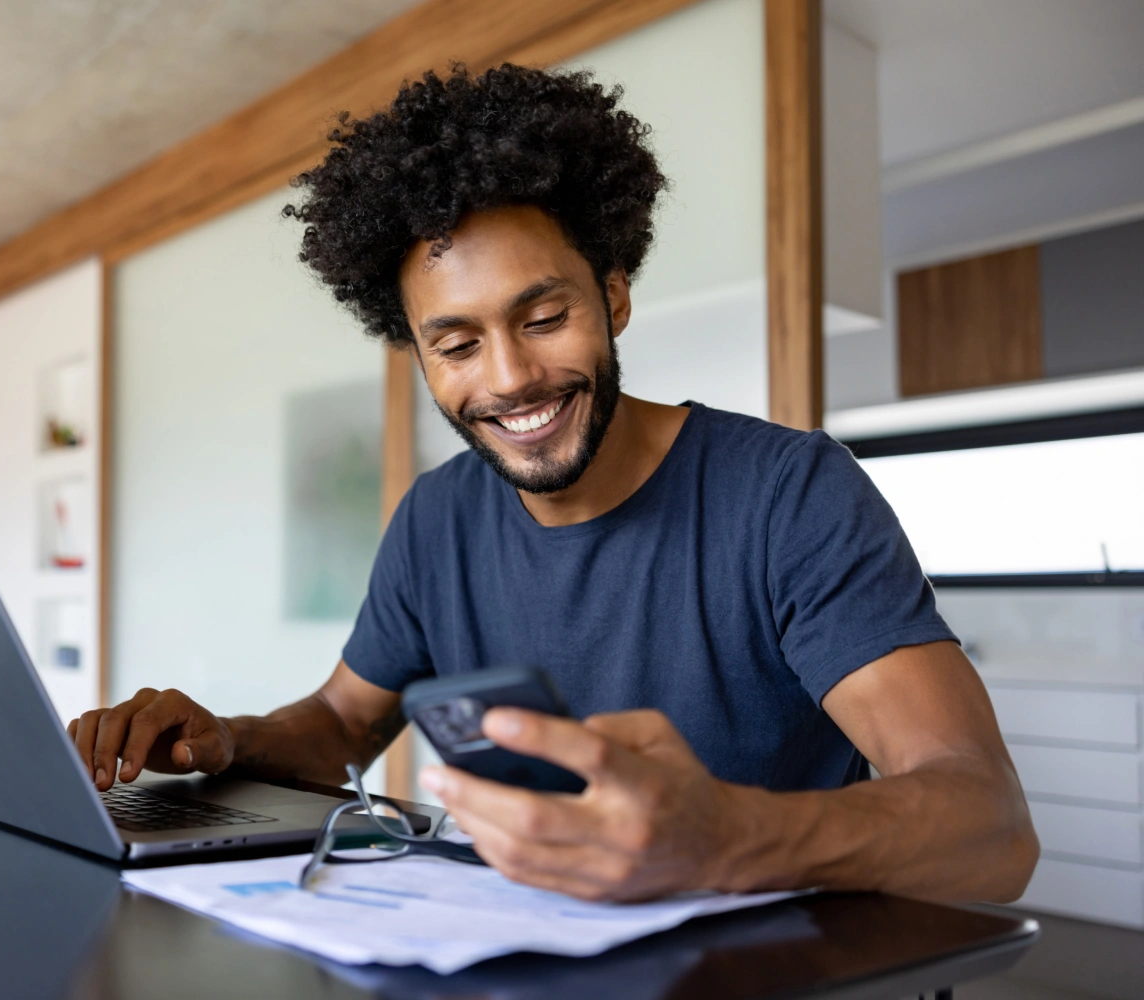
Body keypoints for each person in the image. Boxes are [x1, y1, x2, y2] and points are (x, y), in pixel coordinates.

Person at [69, 64, 1037, 903]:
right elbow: (339, 725)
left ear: (612, 295)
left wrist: (727, 837)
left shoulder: (788, 493)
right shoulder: (436, 519)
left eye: (541, 317)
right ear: (419, 356)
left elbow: (988, 822)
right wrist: (224, 742)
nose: (508, 379)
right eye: (455, 343)